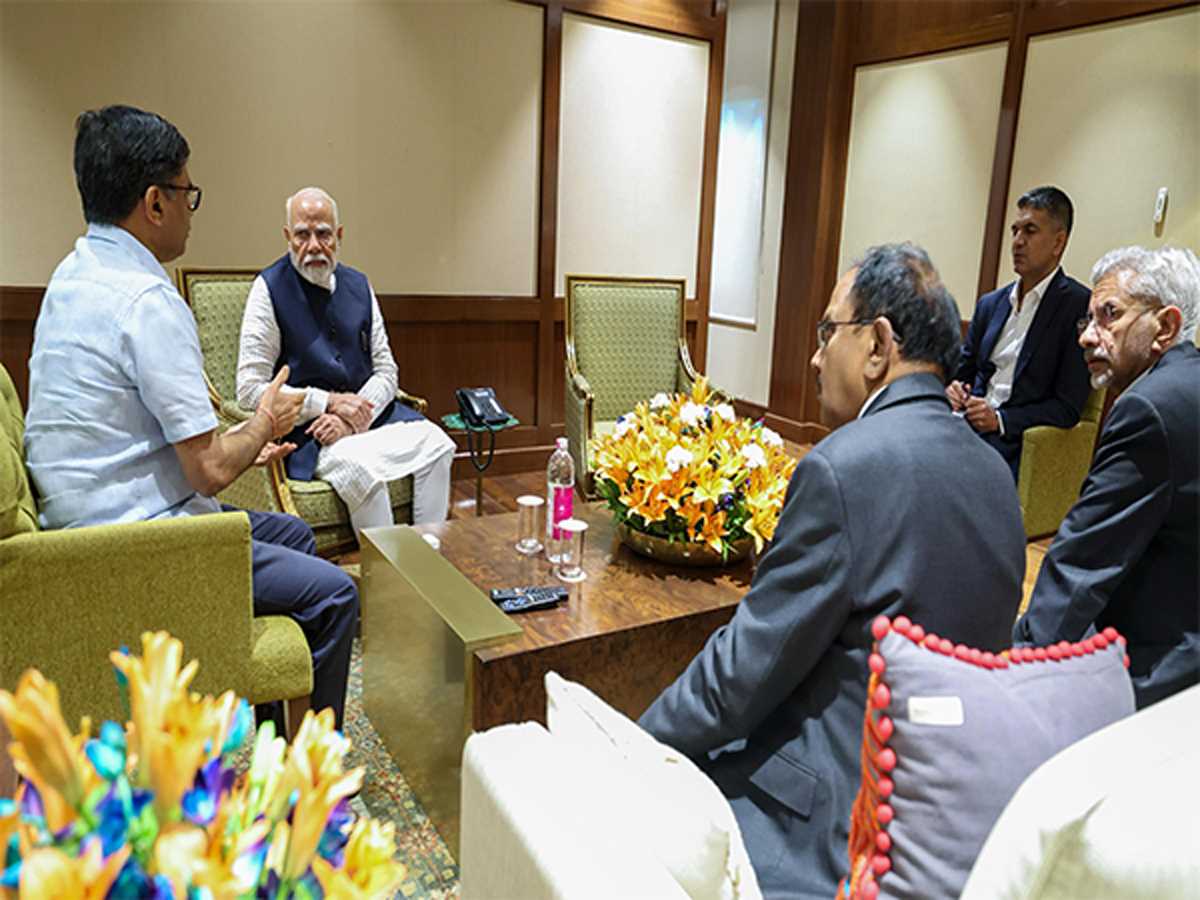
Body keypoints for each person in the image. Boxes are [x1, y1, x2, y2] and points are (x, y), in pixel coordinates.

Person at [639, 244, 1026, 898]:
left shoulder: (844, 468)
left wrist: (629, 746)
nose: (816, 357)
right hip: (948, 807)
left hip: (831, 826)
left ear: (877, 345)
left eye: (827, 332)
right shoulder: (995, 471)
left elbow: (739, 679)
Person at [23, 105, 358, 729]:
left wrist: (248, 439)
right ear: (155, 202)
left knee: (293, 534)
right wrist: (264, 423)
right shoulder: (148, 299)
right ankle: (311, 772)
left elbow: (145, 435)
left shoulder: (72, 275)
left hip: (79, 526)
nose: (190, 209)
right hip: (140, 546)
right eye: (187, 192)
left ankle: (269, 725)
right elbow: (207, 470)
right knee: (336, 595)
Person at [1015, 245, 1199, 709]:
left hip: (1160, 665)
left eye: (1109, 315)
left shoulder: (1147, 409)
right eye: (1088, 319)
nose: (1085, 337)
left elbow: (1082, 562)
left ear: (1165, 327)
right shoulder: (1187, 385)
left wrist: (1016, 671)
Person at [237, 187, 456, 532]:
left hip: (367, 420)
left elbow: (386, 370)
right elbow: (250, 390)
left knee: (438, 445)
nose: (313, 246)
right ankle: (388, 566)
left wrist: (352, 420)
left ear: (339, 236)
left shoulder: (359, 285)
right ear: (287, 237)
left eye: (323, 234)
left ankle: (429, 551)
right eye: (302, 235)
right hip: (311, 433)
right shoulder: (268, 289)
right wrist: (327, 403)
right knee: (362, 471)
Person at [947, 186, 1092, 478]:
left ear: (1058, 242)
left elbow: (1067, 408)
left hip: (1014, 443)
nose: (1017, 242)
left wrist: (1000, 419)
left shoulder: (1078, 306)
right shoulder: (991, 304)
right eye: (1015, 231)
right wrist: (955, 388)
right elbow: (964, 371)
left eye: (1030, 231)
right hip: (965, 424)